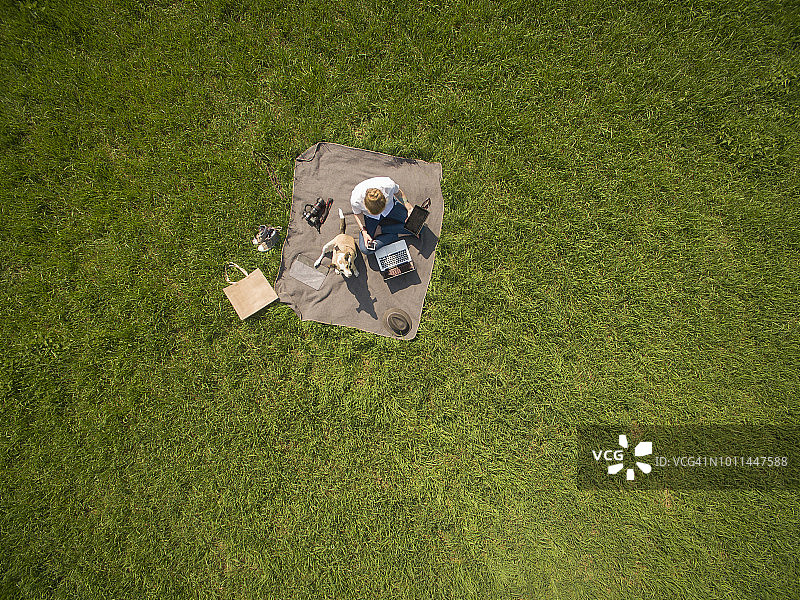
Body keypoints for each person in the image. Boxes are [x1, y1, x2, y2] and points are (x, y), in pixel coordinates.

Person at [349, 176, 414, 255]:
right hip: (370, 218)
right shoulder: (356, 200)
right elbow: (357, 214)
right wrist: (364, 232)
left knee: (419, 227)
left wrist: (409, 208)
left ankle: (383, 230)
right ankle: (395, 232)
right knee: (366, 249)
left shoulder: (388, 185)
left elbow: (398, 193)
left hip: (391, 209)